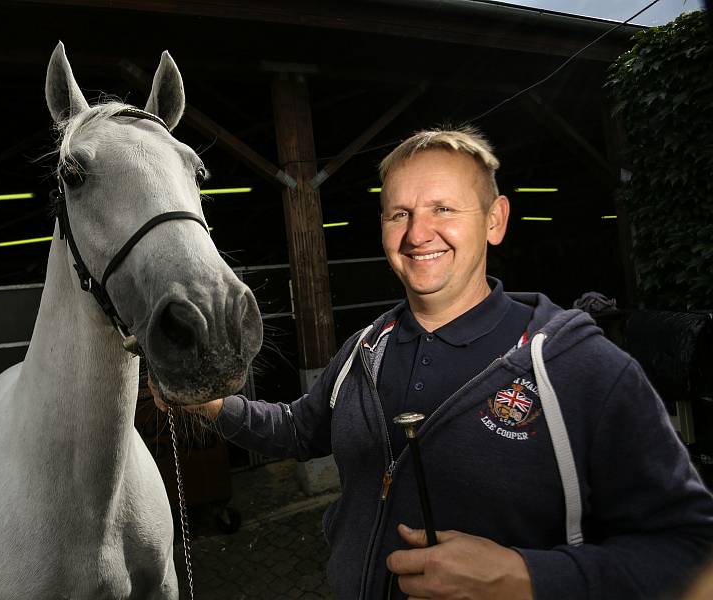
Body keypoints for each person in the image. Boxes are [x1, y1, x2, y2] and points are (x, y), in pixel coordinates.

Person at [158, 127, 713, 599]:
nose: (418, 234)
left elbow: (692, 553)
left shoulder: (582, 369)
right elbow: (300, 429)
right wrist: (207, 402)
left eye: (443, 209)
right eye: (399, 213)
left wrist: (530, 578)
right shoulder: (363, 351)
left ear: (495, 220)